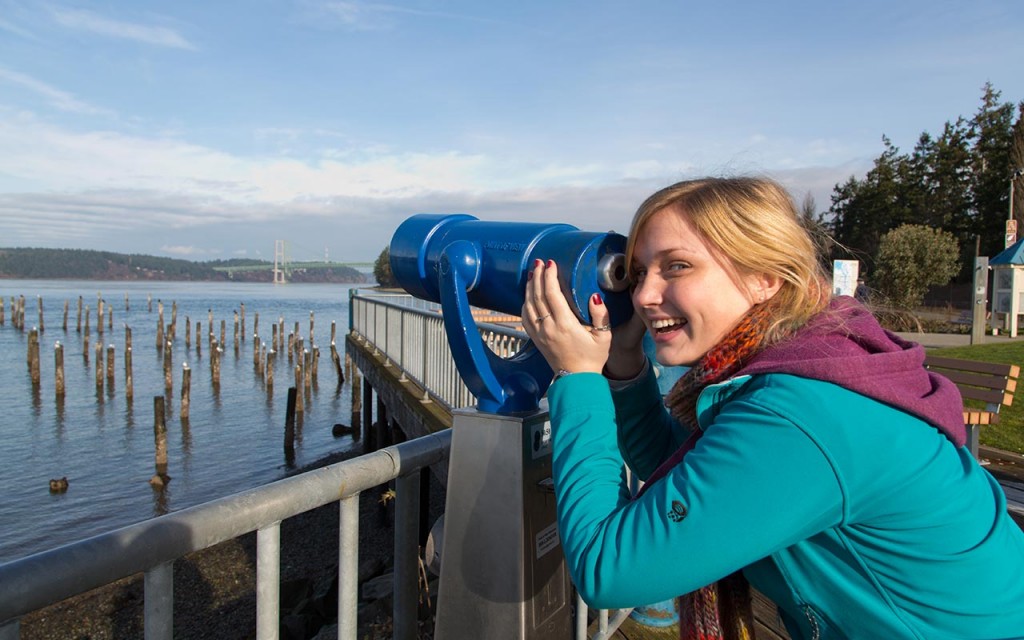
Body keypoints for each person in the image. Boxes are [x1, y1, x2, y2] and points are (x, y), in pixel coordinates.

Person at [522, 177, 1024, 639]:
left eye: (676, 266)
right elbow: (676, 470)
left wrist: (578, 378)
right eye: (636, 274)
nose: (645, 295)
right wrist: (625, 366)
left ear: (765, 278)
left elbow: (608, 568)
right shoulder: (804, 363)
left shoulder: (802, 414)